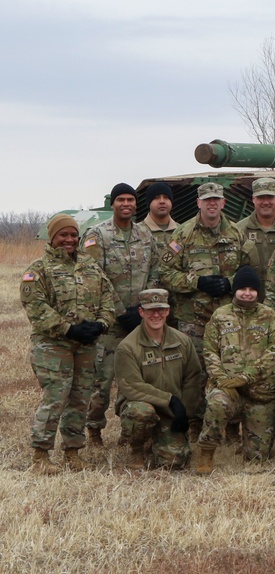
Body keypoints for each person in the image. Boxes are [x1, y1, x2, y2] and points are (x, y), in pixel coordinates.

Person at [21, 214, 116, 474]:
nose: (69, 239)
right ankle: (40, 456)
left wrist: (101, 325)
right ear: (52, 237)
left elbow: (108, 298)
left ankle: (73, 452)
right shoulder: (38, 270)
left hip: (86, 346)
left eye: (73, 235)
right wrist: (69, 329)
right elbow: (36, 309)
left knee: (80, 399)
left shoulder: (90, 266)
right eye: (63, 235)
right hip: (54, 346)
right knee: (56, 398)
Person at [160, 182, 248, 435]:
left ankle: (231, 426)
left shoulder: (235, 233)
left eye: (216, 199)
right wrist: (196, 282)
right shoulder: (183, 234)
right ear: (198, 203)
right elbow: (166, 272)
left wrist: (229, 283)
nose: (212, 204)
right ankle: (195, 422)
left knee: (232, 369)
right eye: (207, 200)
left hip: (228, 317)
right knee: (194, 374)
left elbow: (248, 271)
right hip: (193, 318)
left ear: (222, 203)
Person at [80, 183, 161, 447]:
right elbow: (94, 277)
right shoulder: (98, 236)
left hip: (140, 321)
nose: (126, 204)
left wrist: (145, 308)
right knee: (102, 382)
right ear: (112, 204)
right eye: (120, 200)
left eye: (130, 200)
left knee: (137, 380)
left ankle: (131, 431)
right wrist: (118, 311)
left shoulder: (145, 235)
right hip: (110, 323)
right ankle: (94, 431)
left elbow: (155, 271)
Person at [196, 266, 275, 474]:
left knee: (257, 459)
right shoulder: (220, 316)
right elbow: (209, 351)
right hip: (227, 389)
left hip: (260, 393)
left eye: (252, 289)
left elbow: (273, 353)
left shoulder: (269, 316)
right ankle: (206, 452)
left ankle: (250, 444)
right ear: (234, 290)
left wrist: (245, 377)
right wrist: (221, 379)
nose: (247, 292)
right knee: (217, 403)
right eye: (242, 288)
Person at [114, 289, 202, 470]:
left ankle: (160, 439)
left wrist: (184, 411)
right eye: (150, 310)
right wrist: (170, 400)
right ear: (141, 312)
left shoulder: (182, 341)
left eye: (161, 310)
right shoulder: (127, 347)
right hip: (142, 405)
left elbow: (193, 378)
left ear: (168, 311)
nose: (156, 315)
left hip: (172, 412)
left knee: (174, 462)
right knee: (141, 412)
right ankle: (137, 448)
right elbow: (132, 386)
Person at [237, 177, 275, 287]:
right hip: (250, 295)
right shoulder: (240, 229)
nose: (266, 202)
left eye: (270, 197)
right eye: (261, 197)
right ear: (253, 199)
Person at [140, 182, 179, 246]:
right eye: (156, 197)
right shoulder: (137, 232)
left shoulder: (182, 231)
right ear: (149, 203)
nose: (162, 201)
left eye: (166, 197)